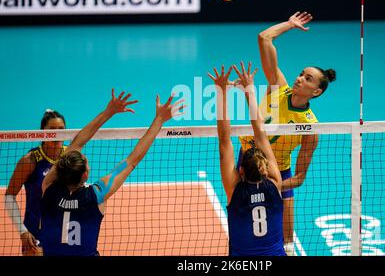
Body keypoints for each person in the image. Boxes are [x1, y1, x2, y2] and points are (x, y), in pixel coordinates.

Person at [39, 89, 184, 256]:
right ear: (85, 175)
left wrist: (108, 112)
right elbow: (132, 161)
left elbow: (77, 143)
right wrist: (159, 120)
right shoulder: (96, 195)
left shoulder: (48, 187)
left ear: (62, 168)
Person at [238, 12, 336, 255]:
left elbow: (301, 176)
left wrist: (272, 185)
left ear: (316, 92)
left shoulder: (310, 127)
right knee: (242, 226)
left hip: (278, 171)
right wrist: (290, 25)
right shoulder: (277, 87)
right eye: (302, 74)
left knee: (287, 241)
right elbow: (264, 38)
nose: (300, 78)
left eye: (308, 79)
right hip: (247, 161)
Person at [208, 62, 286, 256]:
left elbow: (225, 142)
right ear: (266, 169)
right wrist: (249, 89)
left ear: (240, 171)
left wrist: (221, 91)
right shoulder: (275, 183)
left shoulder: (235, 191)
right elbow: (260, 132)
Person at [4, 109, 67, 256]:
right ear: (42, 132)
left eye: (61, 130)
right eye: (51, 130)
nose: (56, 134)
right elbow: (9, 196)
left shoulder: (70, 157)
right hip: (35, 233)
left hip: (65, 231)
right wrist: (22, 231)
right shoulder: (30, 161)